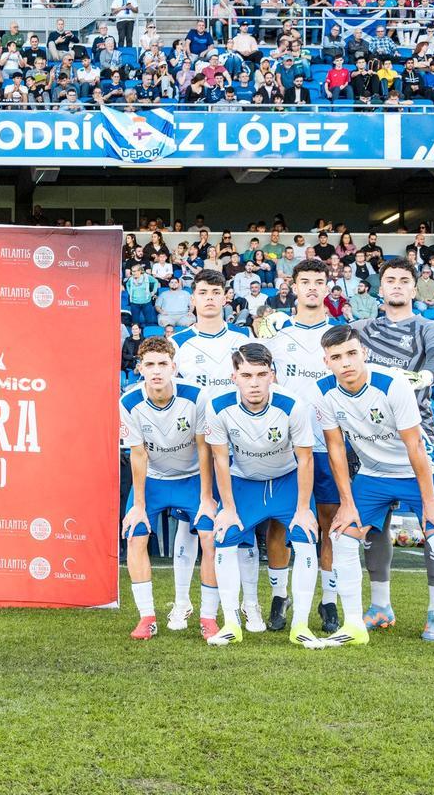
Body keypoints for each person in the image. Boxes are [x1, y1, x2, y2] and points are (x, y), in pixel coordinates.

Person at [316, 325, 434, 659]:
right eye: (336, 357)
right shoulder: (324, 392)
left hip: (418, 471)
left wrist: (429, 501)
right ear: (326, 361)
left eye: (351, 354)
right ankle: (354, 626)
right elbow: (335, 449)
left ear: (364, 353)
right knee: (343, 535)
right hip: (373, 474)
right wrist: (346, 504)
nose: (346, 363)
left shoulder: (392, 384)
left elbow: (415, 443)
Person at [352, 259, 434, 639]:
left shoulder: (430, 327)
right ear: (380, 289)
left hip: (417, 439)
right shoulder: (361, 329)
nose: (396, 285)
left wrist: (426, 375)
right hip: (369, 445)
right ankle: (380, 606)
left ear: (414, 289)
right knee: (372, 530)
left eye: (404, 281)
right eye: (389, 280)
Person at [204, 343, 321, 648]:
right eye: (246, 375)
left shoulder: (293, 405)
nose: (253, 383)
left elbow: (306, 459)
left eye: (260, 374)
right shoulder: (218, 406)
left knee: (306, 536)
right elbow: (219, 458)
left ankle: (301, 625)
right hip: (245, 482)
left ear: (273, 375)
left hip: (286, 480)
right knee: (224, 536)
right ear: (234, 377)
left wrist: (304, 508)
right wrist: (227, 508)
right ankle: (231, 622)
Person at [171, 269, 255, 633]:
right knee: (190, 525)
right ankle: (181, 602)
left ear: (225, 298)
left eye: (215, 292)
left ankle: (247, 604)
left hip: (240, 445)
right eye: (202, 292)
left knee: (241, 525)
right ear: (193, 299)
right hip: (196, 447)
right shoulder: (178, 344)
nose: (208, 298)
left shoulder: (242, 338)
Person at [262, 259, 343, 633]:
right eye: (305, 281)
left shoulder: (342, 336)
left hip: (328, 443)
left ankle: (328, 602)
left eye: (319, 282)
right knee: (280, 524)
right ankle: (280, 598)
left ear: (328, 287)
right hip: (284, 446)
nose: (312, 287)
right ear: (292, 286)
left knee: (329, 525)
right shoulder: (274, 337)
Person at [119, 338, 216, 640]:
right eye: (150, 364)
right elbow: (138, 454)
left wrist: (206, 497)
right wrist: (138, 504)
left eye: (163, 364)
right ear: (140, 369)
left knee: (210, 537)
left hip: (192, 478)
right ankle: (147, 617)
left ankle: (208, 617)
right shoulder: (129, 402)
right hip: (154, 480)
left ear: (173, 367)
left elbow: (205, 448)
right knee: (135, 536)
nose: (157, 371)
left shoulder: (196, 397)